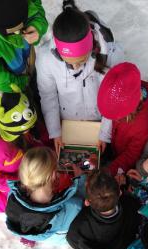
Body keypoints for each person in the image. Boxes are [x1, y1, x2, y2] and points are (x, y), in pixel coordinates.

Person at [36, 0, 124, 153]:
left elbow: (113, 97)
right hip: (69, 123)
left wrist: (104, 134)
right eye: (68, 62)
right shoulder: (45, 58)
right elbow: (48, 95)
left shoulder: (111, 53)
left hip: (100, 120)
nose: (76, 67)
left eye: (82, 61)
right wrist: (55, 132)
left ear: (91, 46)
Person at [5, 147, 85, 245]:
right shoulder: (72, 206)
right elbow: (82, 200)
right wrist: (81, 180)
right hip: (60, 238)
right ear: (53, 174)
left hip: (37, 232)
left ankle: (30, 236)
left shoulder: (12, 195)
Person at [0, 85, 38, 212]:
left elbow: (28, 139)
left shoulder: (9, 120)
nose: (29, 129)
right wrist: (20, 184)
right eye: (26, 128)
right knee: (21, 207)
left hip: (2, 168)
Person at [97, 62, 148, 177]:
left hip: (128, 159)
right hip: (118, 142)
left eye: (116, 116)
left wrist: (108, 171)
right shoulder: (127, 88)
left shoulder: (143, 125)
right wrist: (104, 137)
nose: (113, 118)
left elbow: (132, 155)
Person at [66, 170, 142, 249]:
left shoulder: (80, 223)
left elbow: (72, 242)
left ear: (87, 202)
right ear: (120, 193)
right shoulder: (130, 205)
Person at [0, 0, 48, 93]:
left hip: (26, 55)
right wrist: (21, 84)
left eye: (21, 24)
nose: (18, 33)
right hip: (12, 75)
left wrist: (36, 26)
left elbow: (36, 6)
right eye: (11, 31)